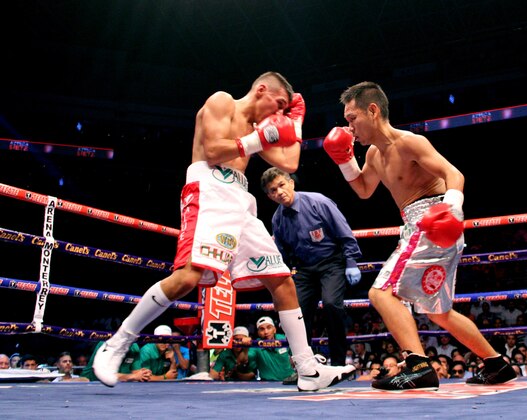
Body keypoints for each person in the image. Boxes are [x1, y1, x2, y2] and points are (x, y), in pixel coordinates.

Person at [92, 71, 355, 391]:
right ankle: (116, 345)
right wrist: (264, 136)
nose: (279, 114)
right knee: (189, 277)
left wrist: (296, 122)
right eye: (279, 104)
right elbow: (214, 150)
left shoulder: (260, 127)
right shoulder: (222, 102)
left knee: (282, 279)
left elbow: (290, 163)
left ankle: (308, 368)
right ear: (261, 90)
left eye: (285, 109)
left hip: (240, 199)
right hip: (209, 189)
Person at [322, 81, 517, 390]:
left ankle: (418, 365)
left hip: (433, 218)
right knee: (437, 312)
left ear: (373, 110)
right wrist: (345, 160)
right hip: (420, 224)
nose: (348, 127)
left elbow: (454, 174)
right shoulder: (373, 155)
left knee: (381, 292)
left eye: (351, 118)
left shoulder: (410, 143)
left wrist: (450, 210)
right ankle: (497, 364)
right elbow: (363, 190)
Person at [260, 167, 363, 366]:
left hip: (331, 262)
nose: (279, 192)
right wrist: (282, 282)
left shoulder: (318, 202)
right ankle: (304, 366)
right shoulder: (277, 219)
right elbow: (282, 254)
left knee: (332, 304)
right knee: (294, 314)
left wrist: (351, 261)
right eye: (273, 190)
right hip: (303, 269)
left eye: (281, 185)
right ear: (269, 196)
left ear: (291, 183)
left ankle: (339, 364)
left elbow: (345, 233)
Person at [238, 316, 296, 382]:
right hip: (268, 383)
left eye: (269, 328)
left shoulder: (284, 339)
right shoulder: (256, 345)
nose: (266, 332)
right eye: (262, 329)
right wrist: (245, 347)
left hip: (289, 381)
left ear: (274, 330)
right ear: (258, 333)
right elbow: (242, 360)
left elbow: (297, 354)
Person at [81, 341, 152, 382]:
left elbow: (136, 372)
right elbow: (105, 374)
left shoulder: (134, 347)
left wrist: (143, 374)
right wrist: (133, 376)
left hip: (120, 385)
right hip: (92, 384)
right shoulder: (106, 345)